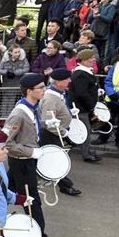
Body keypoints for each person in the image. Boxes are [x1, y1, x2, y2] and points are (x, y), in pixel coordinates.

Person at [4, 73, 62, 237]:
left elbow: (31, 125)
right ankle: (40, 234)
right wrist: (31, 152)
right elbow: (6, 142)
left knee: (5, 190)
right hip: (21, 161)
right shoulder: (18, 114)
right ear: (30, 91)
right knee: (32, 198)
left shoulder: (31, 107)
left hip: (25, 160)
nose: (44, 90)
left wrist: (46, 124)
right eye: (41, 88)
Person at [37, 68, 83, 196]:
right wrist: (64, 132)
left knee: (49, 158)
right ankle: (65, 186)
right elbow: (48, 122)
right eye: (67, 79)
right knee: (57, 160)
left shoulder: (58, 94)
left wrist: (68, 113)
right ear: (58, 82)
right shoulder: (51, 98)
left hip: (55, 133)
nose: (69, 80)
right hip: (51, 134)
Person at [69, 49, 102, 162]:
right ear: (83, 60)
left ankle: (87, 150)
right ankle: (86, 154)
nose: (93, 60)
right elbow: (81, 93)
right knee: (85, 131)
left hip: (84, 107)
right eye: (90, 58)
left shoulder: (84, 72)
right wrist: (91, 105)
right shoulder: (80, 74)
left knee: (87, 130)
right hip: (81, 108)